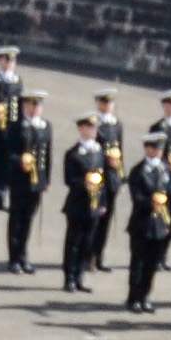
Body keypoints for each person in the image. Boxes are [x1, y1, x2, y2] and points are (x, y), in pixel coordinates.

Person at [56, 104, 115, 290]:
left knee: (87, 243)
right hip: (78, 204)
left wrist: (103, 202)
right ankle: (69, 277)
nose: (93, 131)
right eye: (89, 127)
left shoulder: (98, 152)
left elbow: (103, 179)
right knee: (74, 242)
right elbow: (69, 179)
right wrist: (86, 183)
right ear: (81, 129)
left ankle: (80, 276)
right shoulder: (73, 153)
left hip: (95, 205)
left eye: (94, 128)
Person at [0, 92, 52, 270]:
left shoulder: (45, 126)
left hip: (36, 181)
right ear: (25, 106)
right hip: (19, 180)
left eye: (37, 105)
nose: (34, 109)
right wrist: (20, 161)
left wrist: (46, 179)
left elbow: (47, 155)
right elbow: (8, 154)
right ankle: (14, 258)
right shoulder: (16, 126)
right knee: (16, 218)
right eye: (31, 105)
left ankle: (23, 254)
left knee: (28, 218)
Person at [121, 131, 171, 313]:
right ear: (147, 149)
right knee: (138, 263)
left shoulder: (166, 170)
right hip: (142, 223)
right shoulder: (138, 170)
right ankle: (133, 298)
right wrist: (152, 202)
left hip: (160, 225)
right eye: (154, 148)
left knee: (152, 265)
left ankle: (145, 296)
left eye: (160, 148)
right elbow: (136, 197)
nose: (157, 152)